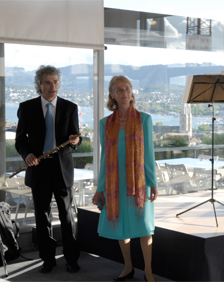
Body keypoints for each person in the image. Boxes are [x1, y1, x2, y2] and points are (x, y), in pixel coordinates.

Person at [15, 65, 81, 273]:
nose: (53, 86)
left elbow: (75, 138)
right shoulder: (26, 108)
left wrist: (75, 141)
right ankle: (47, 259)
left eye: (55, 82)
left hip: (62, 169)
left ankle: (71, 259)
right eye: (47, 82)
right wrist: (28, 155)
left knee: (67, 216)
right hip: (39, 168)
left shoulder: (71, 107)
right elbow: (19, 140)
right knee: (42, 218)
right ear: (39, 86)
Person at [92, 75, 158, 282]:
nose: (125, 93)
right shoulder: (105, 123)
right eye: (119, 90)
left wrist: (153, 182)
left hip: (139, 183)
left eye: (128, 88)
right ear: (112, 95)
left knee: (144, 227)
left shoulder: (144, 120)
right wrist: (100, 187)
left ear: (132, 93)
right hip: (115, 183)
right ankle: (128, 267)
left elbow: (149, 155)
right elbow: (104, 159)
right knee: (122, 227)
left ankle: (148, 271)